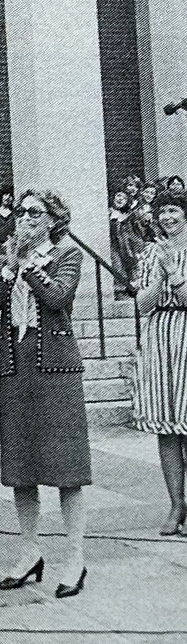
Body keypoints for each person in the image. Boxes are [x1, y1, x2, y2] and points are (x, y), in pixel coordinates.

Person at [0, 189, 90, 598]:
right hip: (15, 368)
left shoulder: (66, 255)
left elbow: (58, 297)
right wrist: (8, 269)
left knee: (65, 467)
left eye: (34, 213)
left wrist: (26, 264)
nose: (25, 218)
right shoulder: (9, 259)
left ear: (53, 220)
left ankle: (75, 557)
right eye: (21, 212)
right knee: (21, 466)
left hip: (55, 370)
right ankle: (29, 550)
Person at [132, 189, 187, 535]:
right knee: (166, 426)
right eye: (161, 212)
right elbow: (142, 303)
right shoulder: (150, 251)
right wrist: (161, 277)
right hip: (160, 335)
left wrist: (175, 273)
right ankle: (176, 504)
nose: (167, 217)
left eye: (173, 211)